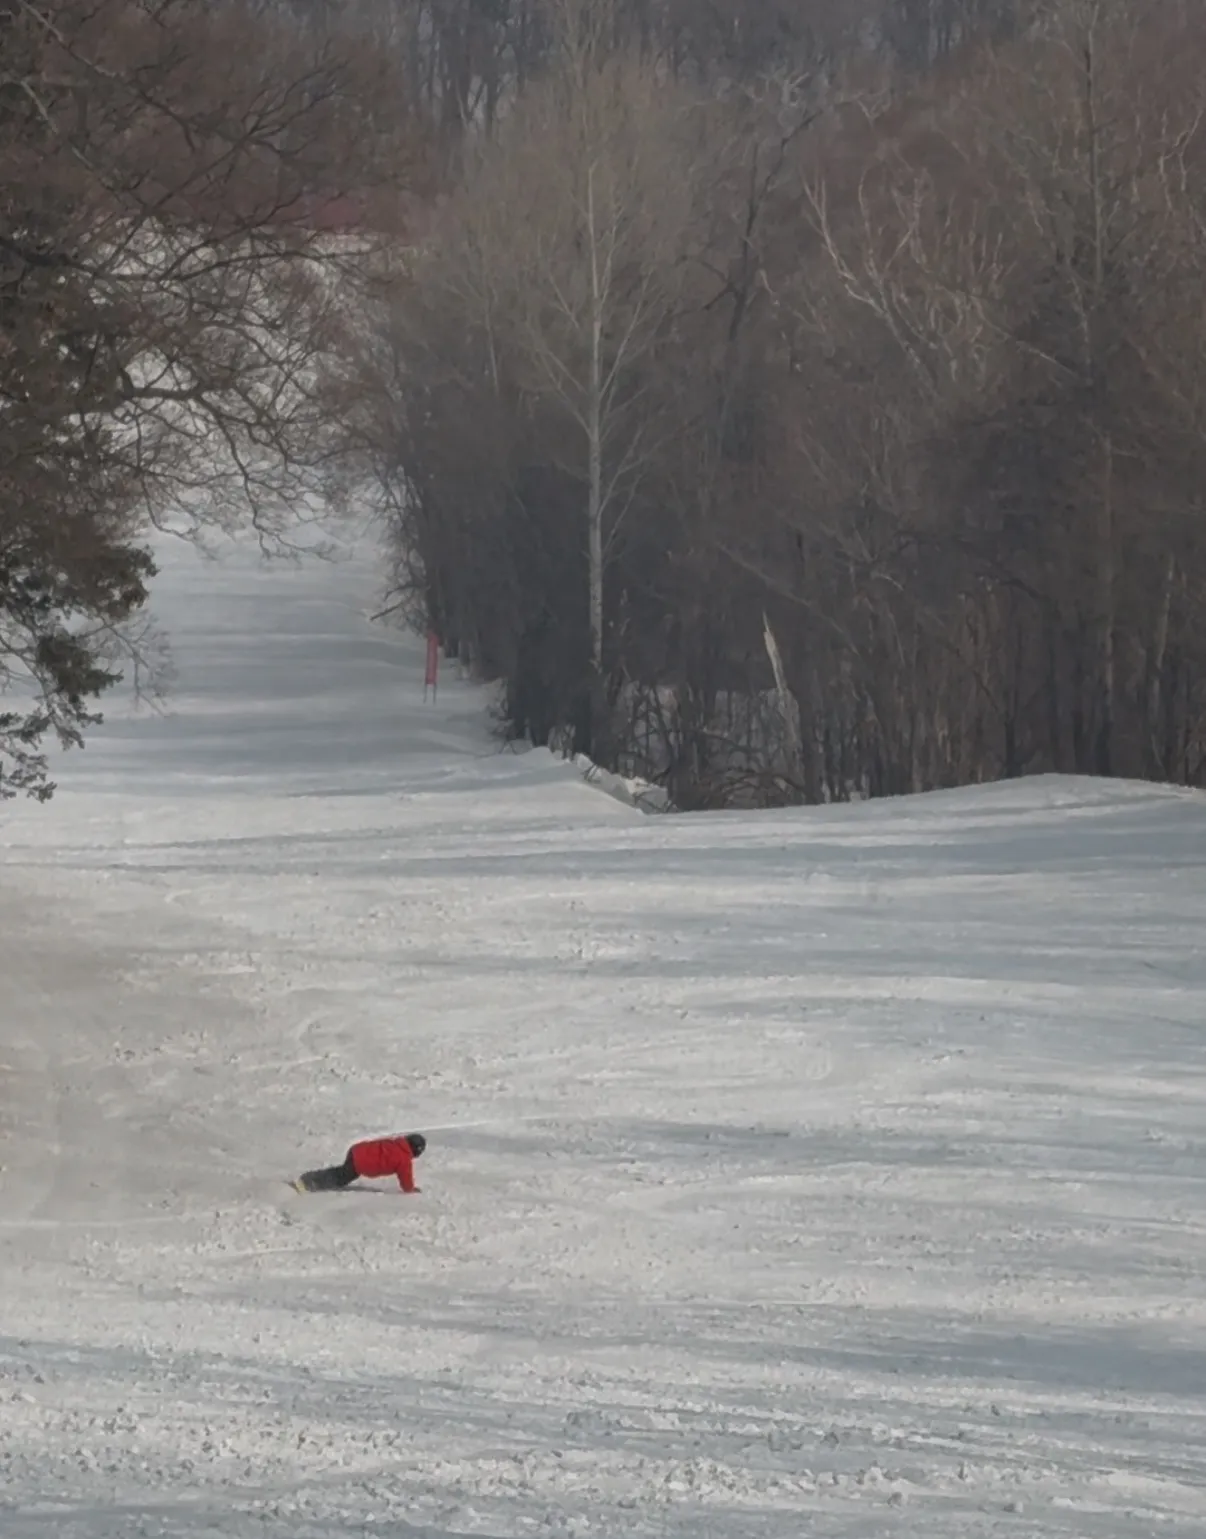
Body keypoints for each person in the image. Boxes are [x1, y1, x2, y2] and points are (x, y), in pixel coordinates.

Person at [293, 1133, 426, 1194]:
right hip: (361, 1163)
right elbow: (406, 1178)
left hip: (357, 1150)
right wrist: (410, 1190)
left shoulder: (395, 1142)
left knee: (341, 1172)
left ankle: (310, 1179)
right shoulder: (404, 1160)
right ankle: (308, 1182)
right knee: (340, 1178)